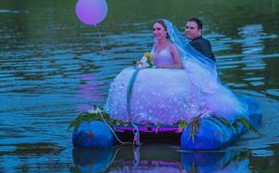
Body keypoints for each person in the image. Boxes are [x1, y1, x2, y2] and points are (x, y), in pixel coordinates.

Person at [104, 19, 247, 125]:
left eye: (159, 29)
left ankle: (172, 117)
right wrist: (145, 64)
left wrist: (165, 68)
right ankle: (137, 116)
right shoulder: (158, 46)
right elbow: (155, 59)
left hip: (172, 72)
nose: (155, 32)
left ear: (166, 31)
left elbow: (184, 64)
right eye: (154, 29)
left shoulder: (181, 45)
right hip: (157, 71)